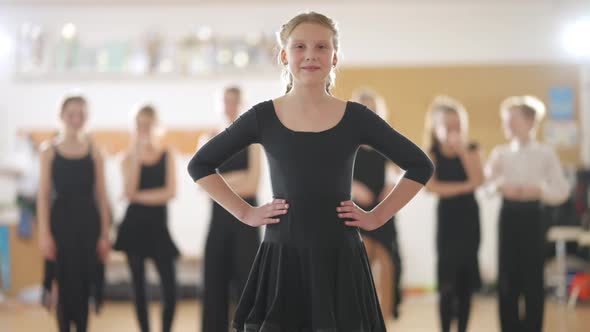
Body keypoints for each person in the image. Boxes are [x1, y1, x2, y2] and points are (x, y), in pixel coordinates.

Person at [188, 12, 433, 331]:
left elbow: (420, 165)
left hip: (340, 259)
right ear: (285, 55)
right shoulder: (264, 116)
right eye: (300, 46)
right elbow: (200, 165)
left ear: (334, 57)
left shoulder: (356, 117)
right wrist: (245, 213)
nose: (310, 55)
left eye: (321, 47)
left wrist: (377, 216)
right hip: (282, 258)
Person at [486, 95, 570, 332]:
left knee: (533, 277)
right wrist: (500, 186)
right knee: (507, 277)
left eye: (511, 119)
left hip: (533, 217)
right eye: (505, 120)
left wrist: (540, 191)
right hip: (509, 217)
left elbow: (562, 190)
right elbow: (485, 187)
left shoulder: (546, 154)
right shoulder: (500, 153)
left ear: (531, 121)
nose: (507, 125)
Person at [37, 95, 110, 332]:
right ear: (62, 116)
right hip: (60, 225)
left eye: (81, 114)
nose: (76, 119)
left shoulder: (95, 151)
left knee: (83, 284)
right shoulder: (49, 151)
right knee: (63, 283)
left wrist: (105, 235)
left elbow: (101, 196)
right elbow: (44, 196)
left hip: (88, 225)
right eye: (71, 114)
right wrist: (44, 234)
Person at [199, 86, 262, 332]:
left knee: (248, 286)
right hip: (218, 222)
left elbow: (253, 183)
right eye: (226, 101)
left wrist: (221, 181)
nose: (230, 106)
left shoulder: (253, 140)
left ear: (242, 103)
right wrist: (237, 180)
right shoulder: (209, 138)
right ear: (221, 104)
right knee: (214, 286)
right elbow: (203, 183)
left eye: (235, 101)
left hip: (247, 223)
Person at [114, 105, 179, 332]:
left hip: (159, 228)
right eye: (139, 125)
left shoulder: (167, 154)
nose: (143, 130)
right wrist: (137, 157)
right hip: (134, 228)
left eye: (147, 125)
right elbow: (129, 190)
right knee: (139, 289)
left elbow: (170, 192)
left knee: (171, 289)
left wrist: (138, 197)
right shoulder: (127, 158)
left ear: (155, 126)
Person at [423, 96, 483, 332]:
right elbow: (432, 188)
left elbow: (479, 180)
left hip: (470, 219)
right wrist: (464, 187)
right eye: (448, 126)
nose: (453, 131)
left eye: (457, 126)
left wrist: (462, 152)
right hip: (447, 221)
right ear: (436, 128)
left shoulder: (472, 149)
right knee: (447, 281)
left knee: (466, 282)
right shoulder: (431, 153)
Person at [351, 88, 403, 321]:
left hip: (382, 210)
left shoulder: (386, 142)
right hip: (355, 211)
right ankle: (360, 318)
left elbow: (403, 169)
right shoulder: (348, 144)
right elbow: (331, 173)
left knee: (388, 262)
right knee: (361, 266)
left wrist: (392, 184)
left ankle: (385, 317)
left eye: (373, 110)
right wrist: (353, 187)